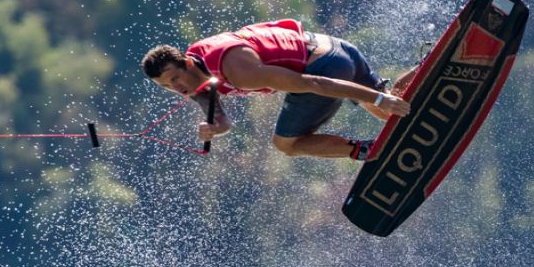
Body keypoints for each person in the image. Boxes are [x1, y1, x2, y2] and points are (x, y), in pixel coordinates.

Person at [141, 19, 414, 159]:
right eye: (166, 86)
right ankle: (425, 69)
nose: (175, 88)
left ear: (187, 63)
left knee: (286, 144)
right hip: (336, 46)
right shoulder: (195, 78)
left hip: (325, 68)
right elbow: (222, 120)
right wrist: (215, 128)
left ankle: (370, 150)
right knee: (392, 110)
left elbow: (313, 84)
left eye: (175, 79)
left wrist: (377, 98)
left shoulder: (238, 70)